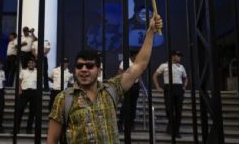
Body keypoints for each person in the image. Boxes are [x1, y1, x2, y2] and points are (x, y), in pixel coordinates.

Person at [47, 13, 162, 144]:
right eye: (79, 66)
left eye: (89, 66)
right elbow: (52, 139)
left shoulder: (111, 89)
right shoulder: (63, 98)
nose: (84, 69)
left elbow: (139, 65)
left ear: (99, 70)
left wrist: (151, 31)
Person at [153, 50, 188, 138]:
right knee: (169, 109)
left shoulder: (181, 67)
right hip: (168, 88)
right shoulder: (164, 65)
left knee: (178, 111)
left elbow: (186, 78)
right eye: (178, 55)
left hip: (179, 88)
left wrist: (184, 87)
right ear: (172, 56)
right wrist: (157, 86)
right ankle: (171, 126)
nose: (180, 57)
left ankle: (176, 131)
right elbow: (154, 75)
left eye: (180, 56)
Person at [118, 50, 140, 131]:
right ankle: (120, 124)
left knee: (133, 106)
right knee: (125, 105)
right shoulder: (125, 61)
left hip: (135, 86)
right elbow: (120, 72)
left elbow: (139, 73)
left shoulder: (138, 62)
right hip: (127, 84)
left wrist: (139, 82)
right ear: (133, 55)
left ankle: (131, 124)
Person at [15, 58, 38, 134]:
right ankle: (16, 129)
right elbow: (19, 81)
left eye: (32, 63)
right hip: (24, 92)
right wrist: (19, 90)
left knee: (32, 112)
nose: (31, 64)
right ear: (27, 64)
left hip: (34, 93)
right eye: (29, 63)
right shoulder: (23, 71)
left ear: (35, 64)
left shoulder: (38, 71)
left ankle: (29, 129)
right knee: (19, 110)